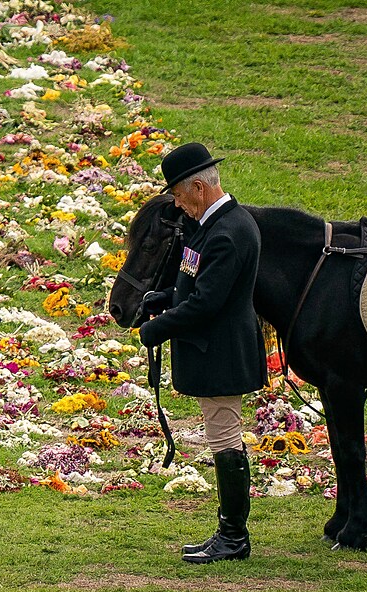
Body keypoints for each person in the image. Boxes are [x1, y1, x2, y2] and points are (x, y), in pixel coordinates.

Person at [138, 142, 268, 564]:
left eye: (177, 195)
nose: (177, 204)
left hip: (222, 351)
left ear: (198, 187)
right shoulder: (214, 225)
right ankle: (230, 533)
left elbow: (207, 303)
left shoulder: (228, 232)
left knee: (225, 438)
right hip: (216, 348)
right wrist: (163, 296)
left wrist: (157, 329)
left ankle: (233, 537)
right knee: (220, 436)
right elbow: (194, 283)